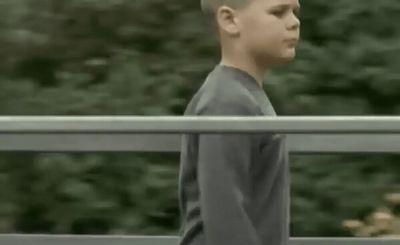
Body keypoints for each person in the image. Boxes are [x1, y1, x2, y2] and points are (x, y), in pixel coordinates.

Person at [178, 0, 300, 244]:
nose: (294, 22)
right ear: (229, 20)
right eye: (278, 12)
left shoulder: (241, 94)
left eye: (294, 11)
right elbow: (226, 214)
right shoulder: (226, 101)